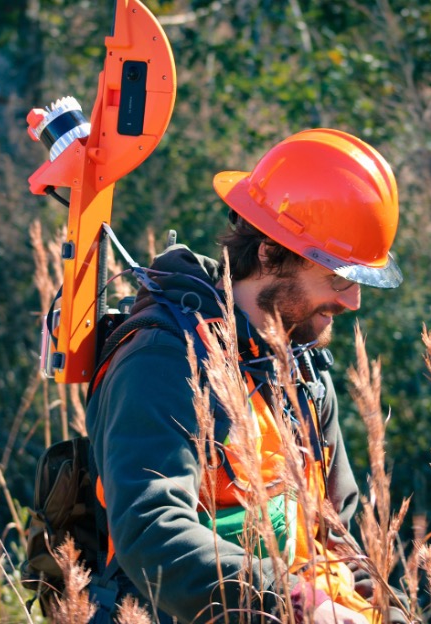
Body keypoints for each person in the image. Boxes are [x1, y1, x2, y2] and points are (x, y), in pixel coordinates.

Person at [86, 129, 406, 624]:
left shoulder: (302, 367)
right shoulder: (161, 361)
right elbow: (152, 530)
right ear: (269, 253)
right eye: (339, 278)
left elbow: (335, 533)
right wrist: (298, 605)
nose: (352, 302)